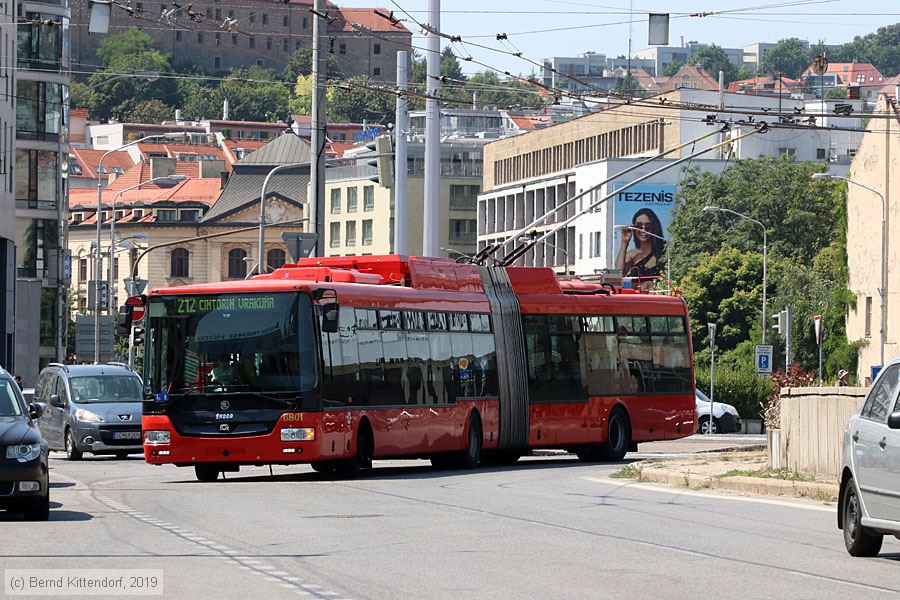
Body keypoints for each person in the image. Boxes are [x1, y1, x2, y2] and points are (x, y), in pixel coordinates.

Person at [615, 208, 667, 286]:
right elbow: (617, 277)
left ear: (654, 228)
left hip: (660, 295)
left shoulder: (665, 252)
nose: (643, 230)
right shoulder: (632, 254)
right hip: (638, 297)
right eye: (639, 226)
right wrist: (624, 242)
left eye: (648, 227)